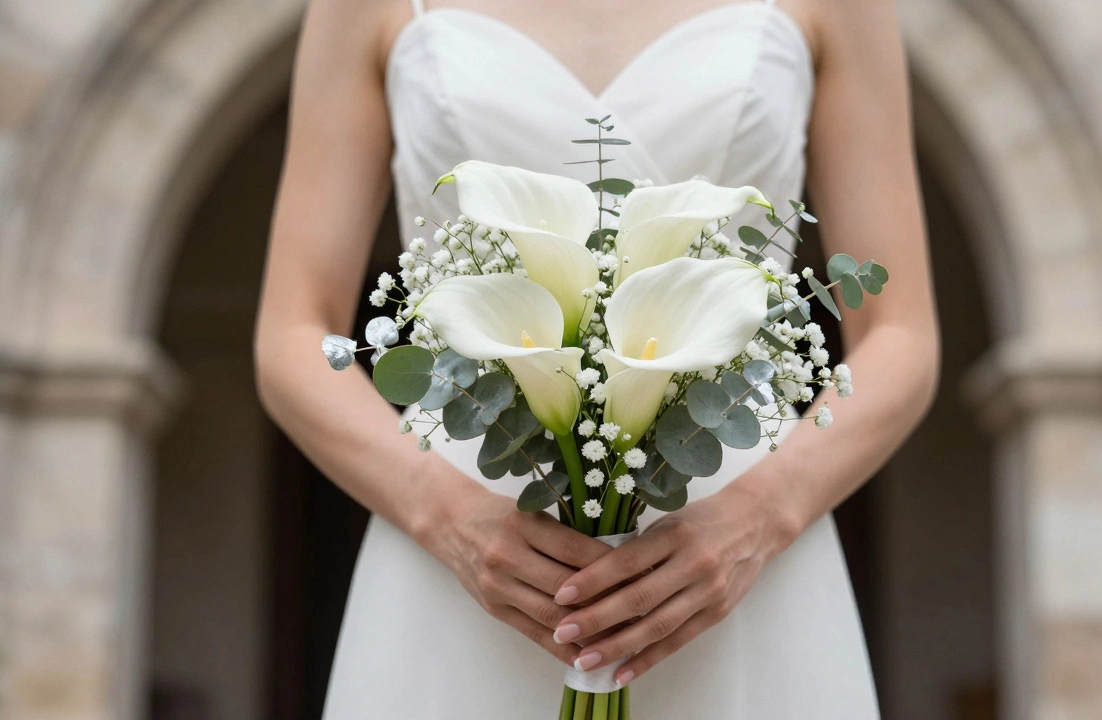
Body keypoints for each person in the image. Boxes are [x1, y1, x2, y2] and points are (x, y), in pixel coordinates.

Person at [254, 0, 939, 716]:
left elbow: (903, 336)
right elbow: (293, 332)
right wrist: (446, 515)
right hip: (467, 551)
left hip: (736, 554)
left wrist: (761, 517)